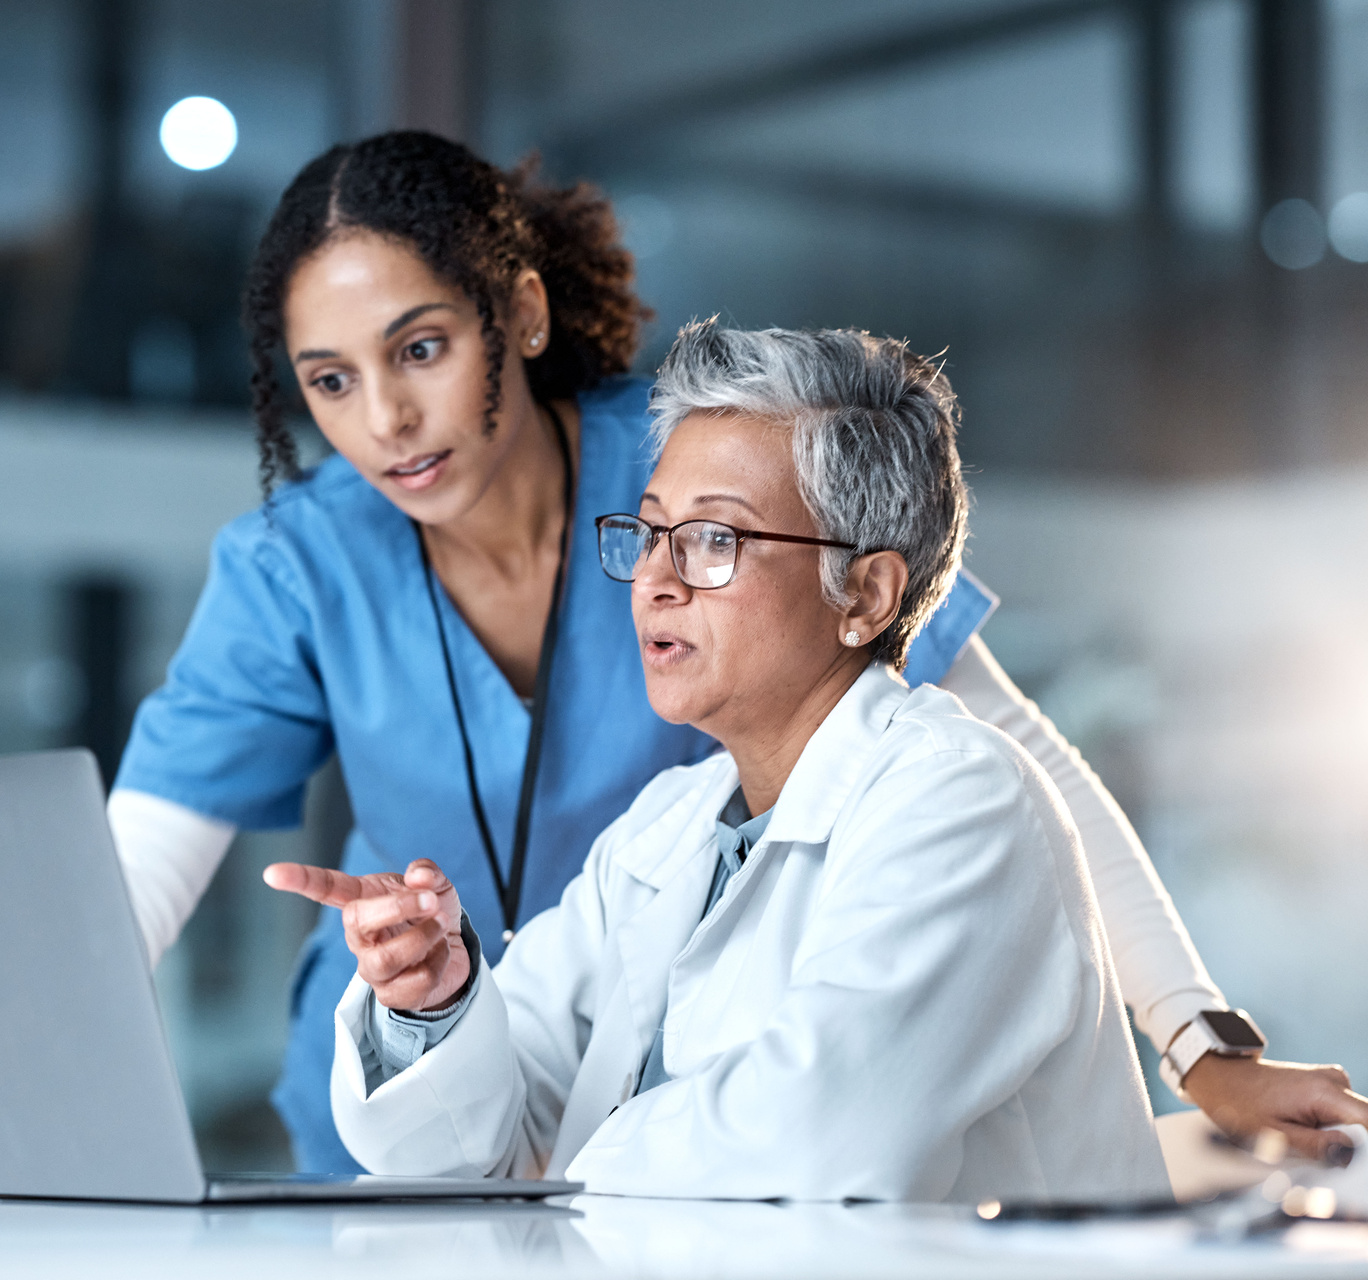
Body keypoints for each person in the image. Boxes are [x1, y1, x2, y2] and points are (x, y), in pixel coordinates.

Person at [108, 130, 1368, 1173]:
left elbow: (1019, 761)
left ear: (522, 314)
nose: (383, 418)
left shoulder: (708, 470)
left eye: (421, 348)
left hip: (677, 1137)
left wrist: (1200, 1041)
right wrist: (427, 999)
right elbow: (129, 890)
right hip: (482, 1089)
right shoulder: (308, 566)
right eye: (328, 381)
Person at [274, 324, 1171, 1201]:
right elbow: (487, 1135)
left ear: (865, 593)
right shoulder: (670, 825)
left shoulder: (961, 800)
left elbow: (820, 1137)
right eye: (652, 531)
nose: (656, 578)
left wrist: (565, 1168)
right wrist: (436, 1010)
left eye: (714, 540)